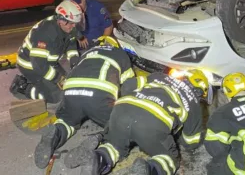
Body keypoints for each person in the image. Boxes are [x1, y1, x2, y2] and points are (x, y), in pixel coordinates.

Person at [71, 69, 212, 175]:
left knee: (114, 146)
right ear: (200, 92)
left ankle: (97, 159)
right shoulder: (193, 102)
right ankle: (149, 170)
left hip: (121, 110)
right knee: (169, 159)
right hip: (152, 124)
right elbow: (190, 143)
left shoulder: (160, 76)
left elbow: (128, 85)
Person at [34, 36, 135, 169]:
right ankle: (100, 145)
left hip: (70, 91)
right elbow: (130, 86)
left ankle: (55, 134)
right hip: (99, 95)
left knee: (67, 120)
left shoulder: (87, 53)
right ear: (115, 45)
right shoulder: (120, 53)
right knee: (123, 131)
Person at [9, 0, 82, 103]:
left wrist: (75, 64)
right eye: (71, 23)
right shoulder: (45, 33)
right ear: (61, 20)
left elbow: (71, 45)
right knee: (57, 97)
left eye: (75, 23)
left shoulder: (68, 27)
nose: (73, 26)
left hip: (49, 62)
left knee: (68, 88)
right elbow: (39, 65)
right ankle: (22, 87)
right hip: (30, 65)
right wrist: (58, 78)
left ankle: (42, 84)